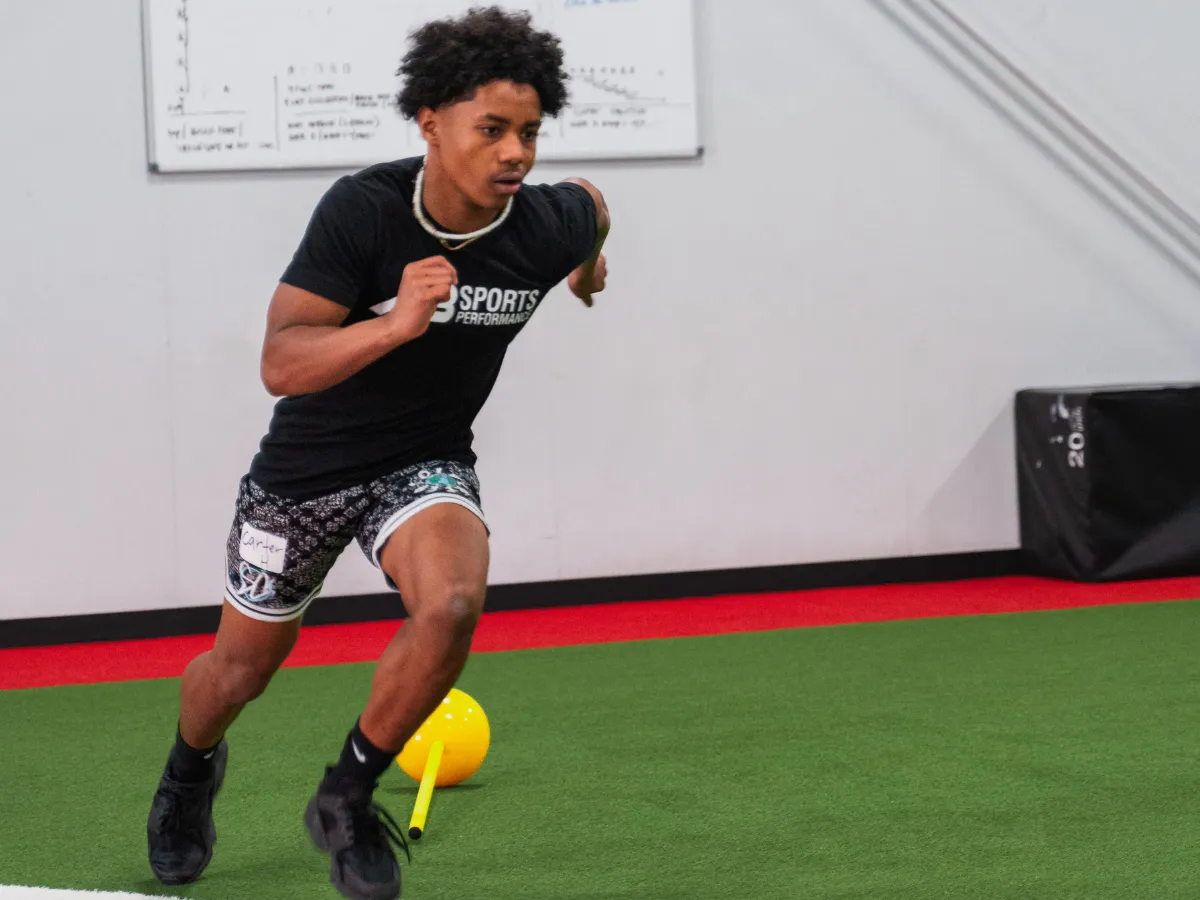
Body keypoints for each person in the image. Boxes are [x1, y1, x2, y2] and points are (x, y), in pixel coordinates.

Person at [145, 7, 610, 899]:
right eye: (492, 130)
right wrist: (395, 324)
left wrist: (589, 269)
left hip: (424, 461)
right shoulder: (364, 211)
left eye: (529, 133)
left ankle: (347, 798)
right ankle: (188, 772)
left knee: (453, 602)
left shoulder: (546, 222)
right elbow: (282, 363)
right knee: (237, 672)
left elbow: (593, 207)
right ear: (430, 122)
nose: (515, 153)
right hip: (304, 473)